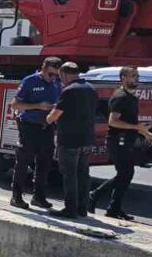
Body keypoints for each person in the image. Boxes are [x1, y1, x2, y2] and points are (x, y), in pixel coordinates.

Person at [90, 66, 152, 221]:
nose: (137, 78)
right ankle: (94, 195)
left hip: (127, 140)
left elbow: (132, 122)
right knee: (124, 174)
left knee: (126, 174)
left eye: (137, 76)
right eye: (133, 76)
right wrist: (137, 128)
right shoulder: (120, 97)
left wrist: (145, 132)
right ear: (123, 78)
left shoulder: (132, 97)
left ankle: (114, 208)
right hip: (117, 140)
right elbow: (113, 121)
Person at [45, 62, 98, 219]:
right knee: (83, 174)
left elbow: (54, 116)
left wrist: (48, 118)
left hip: (69, 140)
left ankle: (70, 209)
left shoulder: (68, 91)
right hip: (87, 138)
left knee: (70, 175)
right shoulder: (91, 89)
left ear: (64, 74)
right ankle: (82, 208)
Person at [10, 57, 62, 210]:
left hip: (47, 126)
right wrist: (37, 106)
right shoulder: (30, 81)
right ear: (43, 69)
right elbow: (15, 104)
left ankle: (38, 197)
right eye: (51, 74)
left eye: (56, 75)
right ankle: (16, 196)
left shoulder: (56, 83)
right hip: (29, 125)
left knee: (44, 162)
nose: (53, 78)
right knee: (23, 161)